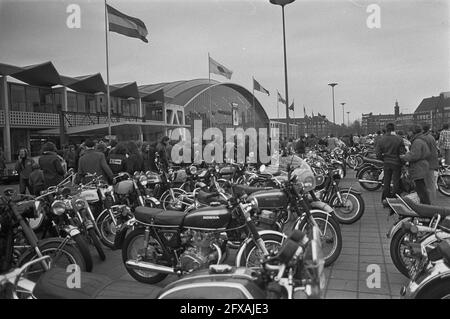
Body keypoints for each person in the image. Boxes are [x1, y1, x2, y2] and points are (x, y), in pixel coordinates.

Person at [400, 125, 431, 205]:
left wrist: (404, 157)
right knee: (421, 187)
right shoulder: (420, 140)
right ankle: (425, 205)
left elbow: (414, 155)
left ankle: (426, 206)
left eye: (409, 131)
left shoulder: (417, 141)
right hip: (421, 166)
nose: (408, 133)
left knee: (420, 188)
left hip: (419, 167)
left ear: (413, 132)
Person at [375, 123, 405, 206]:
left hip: (387, 163)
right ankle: (395, 199)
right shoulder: (399, 139)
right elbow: (402, 153)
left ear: (386, 129)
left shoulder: (381, 139)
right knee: (396, 181)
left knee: (386, 181)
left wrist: (383, 159)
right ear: (393, 129)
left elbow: (378, 154)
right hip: (396, 163)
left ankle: (385, 199)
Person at [421, 124, 439, 203]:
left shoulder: (424, 138)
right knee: (430, 183)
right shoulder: (431, 137)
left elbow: (425, 152)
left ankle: (430, 202)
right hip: (431, 163)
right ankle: (430, 201)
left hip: (427, 163)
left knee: (429, 184)